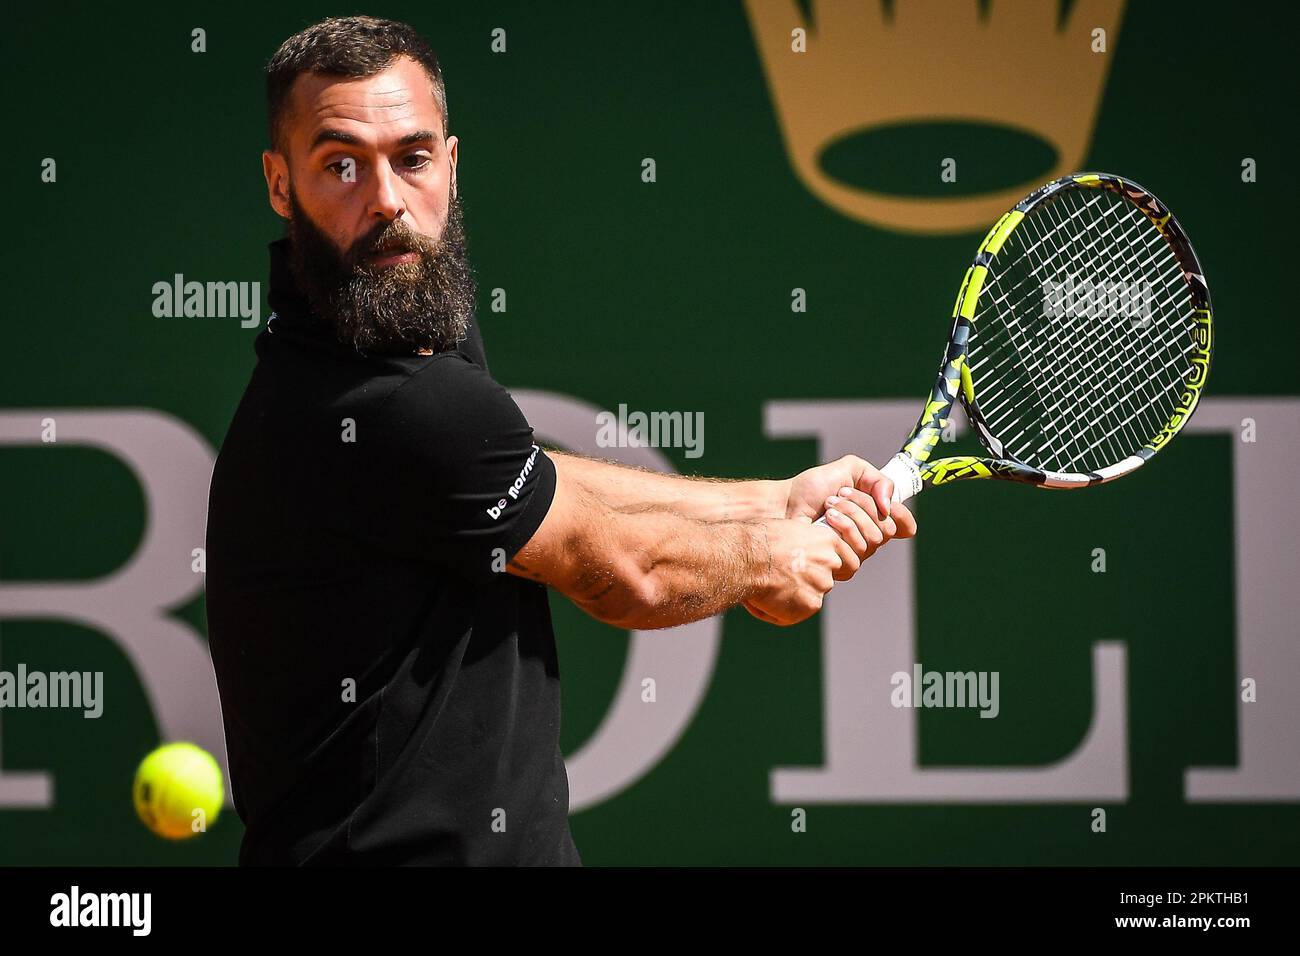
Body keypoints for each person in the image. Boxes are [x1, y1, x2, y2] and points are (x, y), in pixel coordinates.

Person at [204, 15, 916, 866]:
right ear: (280, 185)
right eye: (341, 164)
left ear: (452, 164)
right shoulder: (389, 404)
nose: (387, 199)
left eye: (413, 157)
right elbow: (632, 574)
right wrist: (769, 559)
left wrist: (775, 500)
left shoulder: (395, 326)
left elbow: (547, 488)